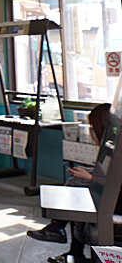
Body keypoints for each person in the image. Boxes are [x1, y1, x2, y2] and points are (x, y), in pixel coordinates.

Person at [26, 104, 110, 244]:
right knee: (75, 183)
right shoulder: (111, 144)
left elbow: (115, 181)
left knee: (76, 186)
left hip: (115, 198)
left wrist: (90, 177)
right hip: (110, 192)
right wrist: (90, 171)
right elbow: (110, 171)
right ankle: (59, 231)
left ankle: (58, 228)